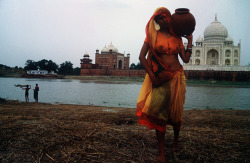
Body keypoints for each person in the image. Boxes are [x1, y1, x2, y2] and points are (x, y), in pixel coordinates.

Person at [136, 7, 193, 162]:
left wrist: (190, 41)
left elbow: (185, 59)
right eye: (158, 19)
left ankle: (175, 139)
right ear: (156, 21)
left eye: (164, 17)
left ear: (170, 18)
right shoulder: (152, 37)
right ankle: (161, 151)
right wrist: (153, 77)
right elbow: (142, 57)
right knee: (159, 114)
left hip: (177, 77)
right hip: (162, 78)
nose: (162, 21)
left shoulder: (177, 37)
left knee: (176, 111)